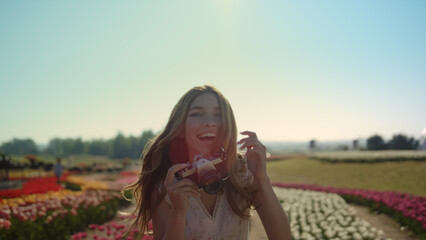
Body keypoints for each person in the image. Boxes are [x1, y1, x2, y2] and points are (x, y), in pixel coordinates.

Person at [124, 85, 291, 240]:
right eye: (197, 114)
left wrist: (262, 179)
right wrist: (178, 213)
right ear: (181, 128)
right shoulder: (167, 184)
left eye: (218, 114)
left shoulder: (240, 173)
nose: (210, 122)